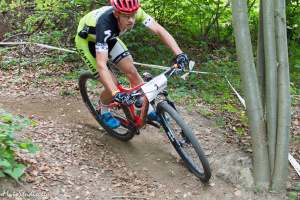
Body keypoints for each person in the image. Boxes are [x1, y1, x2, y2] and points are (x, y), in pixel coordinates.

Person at [75, 0, 189, 129]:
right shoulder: (105, 24)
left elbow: (159, 30)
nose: (131, 20)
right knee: (112, 84)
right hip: (87, 42)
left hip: (109, 38)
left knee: (132, 72)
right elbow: (101, 64)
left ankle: (148, 110)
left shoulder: (135, 11)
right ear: (117, 13)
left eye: (133, 15)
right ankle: (103, 109)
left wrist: (179, 53)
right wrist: (115, 93)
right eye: (126, 16)